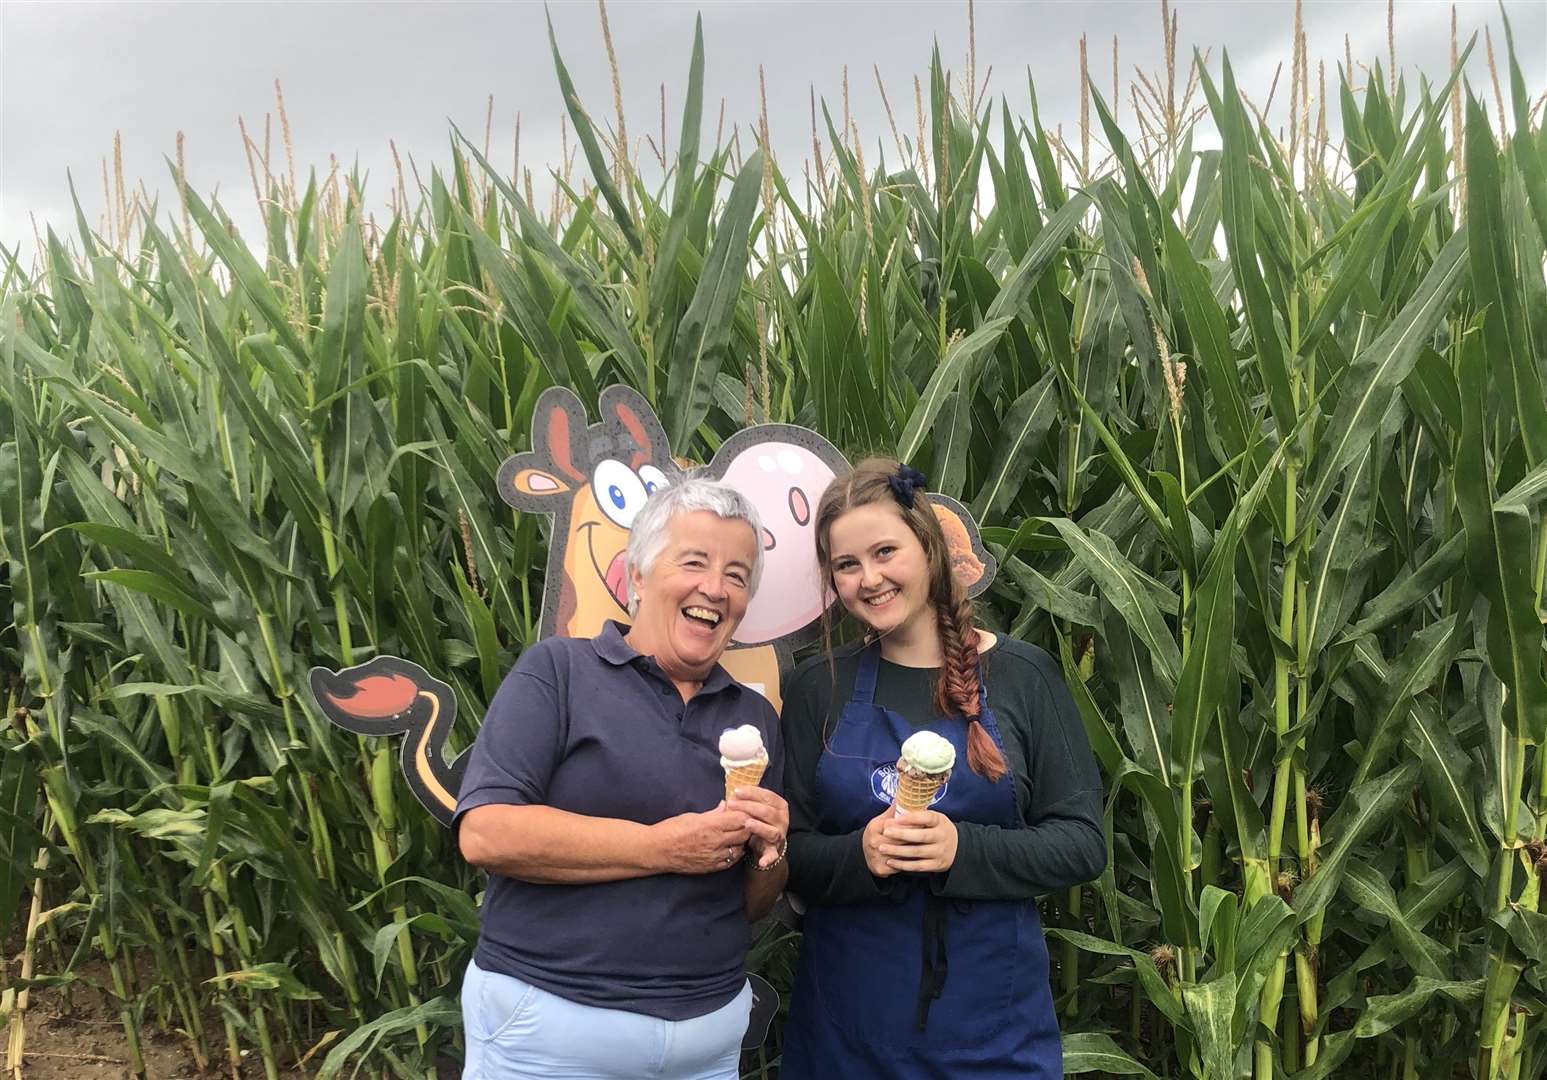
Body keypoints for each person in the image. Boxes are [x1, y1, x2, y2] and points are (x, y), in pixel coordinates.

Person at [780, 458, 1106, 1078]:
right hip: (845, 1036)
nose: (868, 578)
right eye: (846, 565)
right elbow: (787, 851)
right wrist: (860, 853)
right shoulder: (815, 686)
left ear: (928, 547)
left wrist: (963, 849)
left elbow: (1082, 844)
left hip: (992, 1036)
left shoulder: (1023, 675)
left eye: (884, 552)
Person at [455, 478, 790, 1080]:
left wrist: (771, 852)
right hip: (553, 1032)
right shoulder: (558, 673)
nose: (715, 587)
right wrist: (666, 848)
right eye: (695, 562)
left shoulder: (755, 716)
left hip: (706, 1040)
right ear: (638, 575)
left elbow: (753, 904)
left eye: (737, 575)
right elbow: (487, 834)